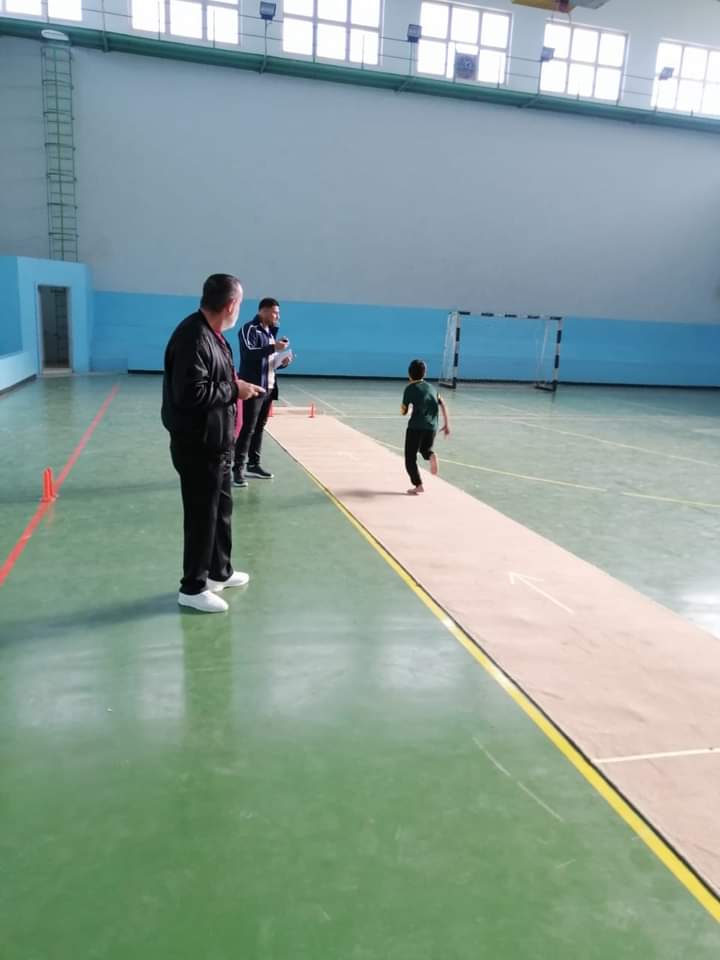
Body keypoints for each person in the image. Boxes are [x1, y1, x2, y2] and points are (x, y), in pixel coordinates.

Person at [162, 274, 264, 613]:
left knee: (221, 512)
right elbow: (190, 393)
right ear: (231, 304)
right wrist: (235, 390)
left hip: (218, 444)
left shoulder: (214, 336)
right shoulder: (192, 337)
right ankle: (193, 587)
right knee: (201, 517)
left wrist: (236, 386)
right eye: (240, 303)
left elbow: (216, 380)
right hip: (198, 446)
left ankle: (220, 570)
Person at [233, 297, 291, 488]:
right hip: (253, 388)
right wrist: (274, 347)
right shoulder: (249, 329)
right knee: (247, 428)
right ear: (263, 311)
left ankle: (253, 464)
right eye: (275, 312)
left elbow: (268, 362)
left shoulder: (271, 333)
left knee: (259, 427)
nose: (277, 316)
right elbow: (249, 353)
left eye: (278, 313)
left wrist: (282, 362)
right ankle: (237, 469)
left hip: (269, 387)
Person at [401, 358, 450, 495]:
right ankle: (431, 455)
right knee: (425, 450)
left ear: (409, 374)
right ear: (425, 373)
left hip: (415, 427)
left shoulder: (410, 389)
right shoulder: (432, 388)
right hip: (432, 427)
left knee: (410, 458)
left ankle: (418, 485)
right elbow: (443, 404)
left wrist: (408, 410)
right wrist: (446, 424)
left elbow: (403, 411)